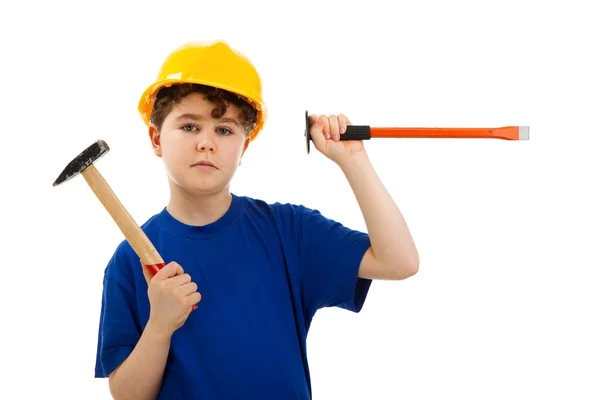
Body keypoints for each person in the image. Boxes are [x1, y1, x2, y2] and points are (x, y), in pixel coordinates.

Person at [94, 40, 419, 400]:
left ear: (244, 146)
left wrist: (353, 160)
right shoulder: (129, 261)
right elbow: (127, 395)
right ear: (156, 138)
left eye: (224, 130)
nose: (206, 143)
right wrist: (160, 325)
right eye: (189, 127)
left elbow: (400, 261)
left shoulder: (289, 232)